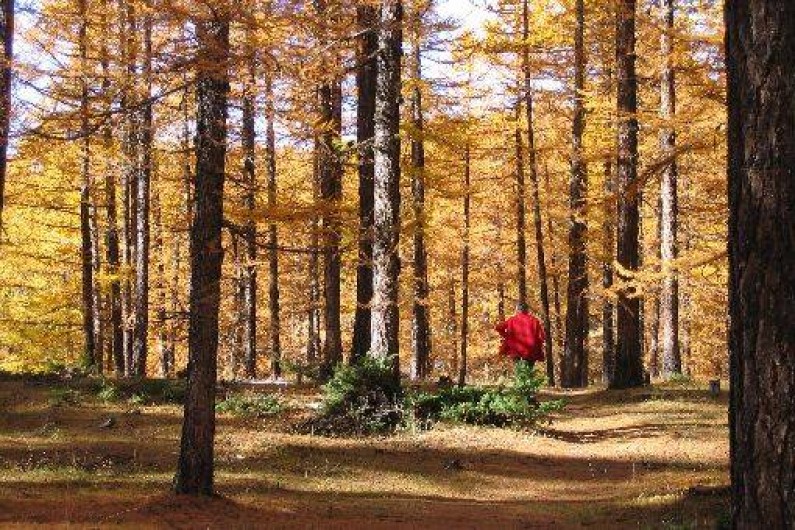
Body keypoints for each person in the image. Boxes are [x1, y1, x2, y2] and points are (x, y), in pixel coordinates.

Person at [495, 302, 546, 382]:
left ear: (517, 310)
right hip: (531, 350)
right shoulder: (534, 320)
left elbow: (498, 327)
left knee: (518, 369)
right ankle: (528, 386)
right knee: (529, 370)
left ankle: (520, 385)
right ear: (527, 310)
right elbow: (542, 337)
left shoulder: (512, 320)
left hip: (516, 349)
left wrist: (507, 336)